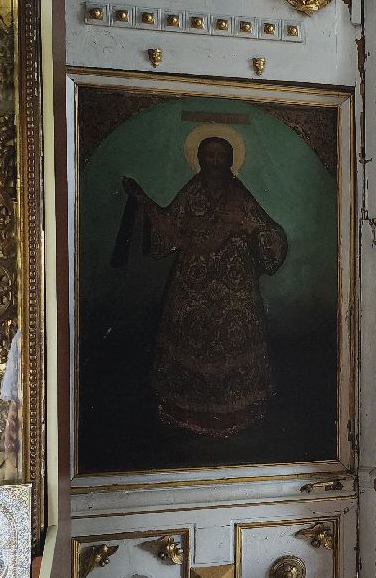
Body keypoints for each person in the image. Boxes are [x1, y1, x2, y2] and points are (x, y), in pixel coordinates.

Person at [122, 134, 288, 436]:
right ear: (199, 159)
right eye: (209, 155)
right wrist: (143, 200)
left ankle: (237, 411)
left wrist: (249, 228)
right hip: (193, 283)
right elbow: (170, 227)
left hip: (235, 285)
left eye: (220, 156)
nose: (215, 161)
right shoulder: (192, 192)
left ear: (230, 160)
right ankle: (188, 412)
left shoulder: (239, 195)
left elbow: (269, 232)